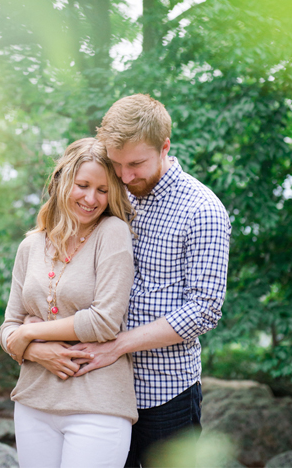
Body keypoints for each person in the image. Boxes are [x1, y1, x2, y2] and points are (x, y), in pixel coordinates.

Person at [27, 94, 231, 467]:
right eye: (117, 165)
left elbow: (204, 310)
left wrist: (119, 345)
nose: (125, 176)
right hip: (98, 395)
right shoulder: (111, 194)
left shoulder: (202, 210)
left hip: (165, 394)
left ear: (165, 146)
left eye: (136, 164)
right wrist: (30, 341)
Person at [0, 137, 137, 468]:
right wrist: (33, 348)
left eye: (103, 190)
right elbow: (9, 328)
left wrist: (32, 333)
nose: (91, 198)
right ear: (62, 181)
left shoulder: (112, 233)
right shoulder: (31, 246)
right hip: (33, 402)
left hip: (97, 406)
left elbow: (103, 322)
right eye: (83, 185)